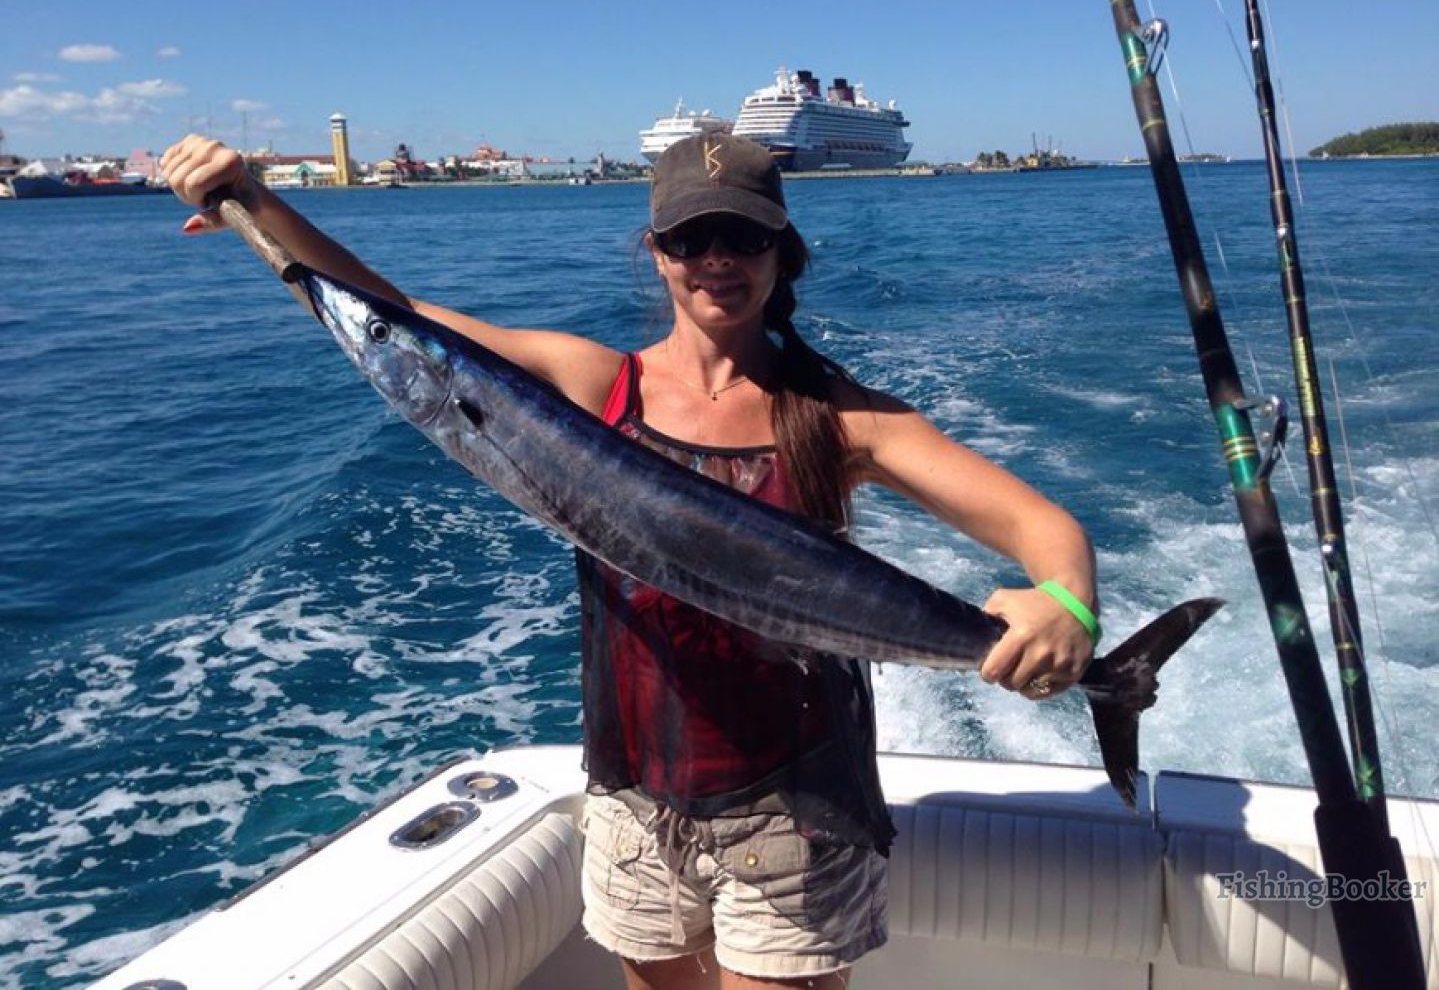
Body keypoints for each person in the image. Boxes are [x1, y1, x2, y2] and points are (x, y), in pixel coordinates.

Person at [161, 132, 1097, 990]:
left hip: (797, 804)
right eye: (692, 240)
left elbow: (1044, 529)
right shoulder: (596, 383)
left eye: (744, 236)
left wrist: (1070, 607)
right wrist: (254, 203)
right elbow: (393, 323)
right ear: (656, 253)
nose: (718, 260)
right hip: (632, 790)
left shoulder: (842, 417)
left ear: (783, 254)